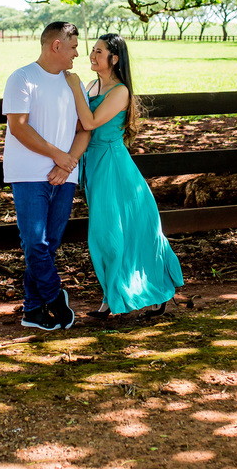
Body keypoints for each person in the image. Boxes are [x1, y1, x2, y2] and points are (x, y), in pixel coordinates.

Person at [64, 33, 183, 318]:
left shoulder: (120, 92)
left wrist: (74, 87)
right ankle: (112, 295)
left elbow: (90, 122)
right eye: (93, 50)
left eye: (99, 51)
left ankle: (148, 290)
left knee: (111, 233)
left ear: (114, 59)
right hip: (94, 166)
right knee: (106, 234)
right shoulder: (92, 86)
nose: (92, 55)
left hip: (113, 167)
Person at [2, 21, 91, 331]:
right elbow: (18, 127)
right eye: (73, 47)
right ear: (56, 45)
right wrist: (58, 156)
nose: (77, 54)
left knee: (50, 244)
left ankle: (32, 310)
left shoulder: (74, 84)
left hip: (65, 175)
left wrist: (67, 163)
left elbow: (85, 129)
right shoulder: (22, 78)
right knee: (35, 243)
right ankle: (53, 297)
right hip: (29, 174)